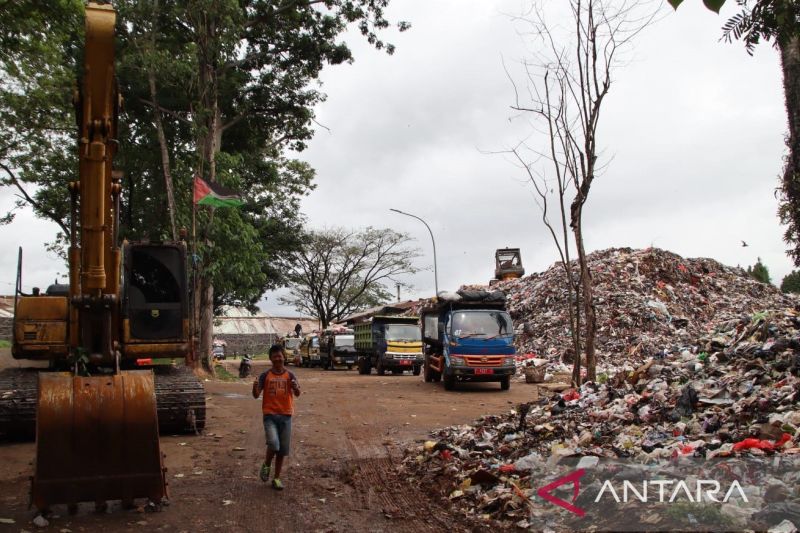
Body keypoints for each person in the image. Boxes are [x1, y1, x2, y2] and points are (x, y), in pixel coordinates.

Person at [252, 344, 301, 490]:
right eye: (275, 357)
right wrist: (254, 387)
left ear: (284, 357)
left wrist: (295, 387)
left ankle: (277, 478)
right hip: (270, 416)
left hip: (286, 416)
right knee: (274, 444)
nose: (278, 359)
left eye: (280, 356)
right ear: (271, 359)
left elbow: (298, 393)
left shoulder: (290, 375)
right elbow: (256, 395)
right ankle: (267, 464)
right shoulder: (265, 375)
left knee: (282, 451)